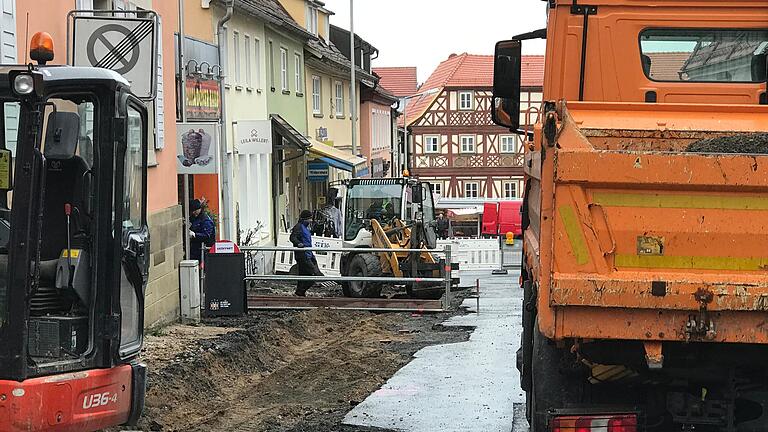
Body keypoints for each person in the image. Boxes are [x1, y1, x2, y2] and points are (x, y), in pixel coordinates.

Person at [289, 210, 322, 296]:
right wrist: (298, 244)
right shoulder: (299, 227)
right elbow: (292, 237)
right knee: (313, 274)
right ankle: (301, 291)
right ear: (305, 219)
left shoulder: (305, 228)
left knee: (303, 275)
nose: (311, 221)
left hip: (308, 254)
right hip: (303, 255)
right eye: (310, 219)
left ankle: (300, 292)